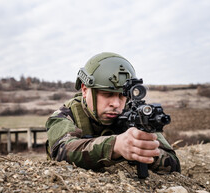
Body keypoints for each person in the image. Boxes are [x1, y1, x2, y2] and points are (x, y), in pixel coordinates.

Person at [46, 52, 180, 174]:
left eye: (122, 96)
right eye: (107, 94)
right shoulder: (64, 115)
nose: (116, 104)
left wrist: (145, 151)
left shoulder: (134, 115)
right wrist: (115, 146)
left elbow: (174, 165)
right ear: (85, 90)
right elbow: (61, 152)